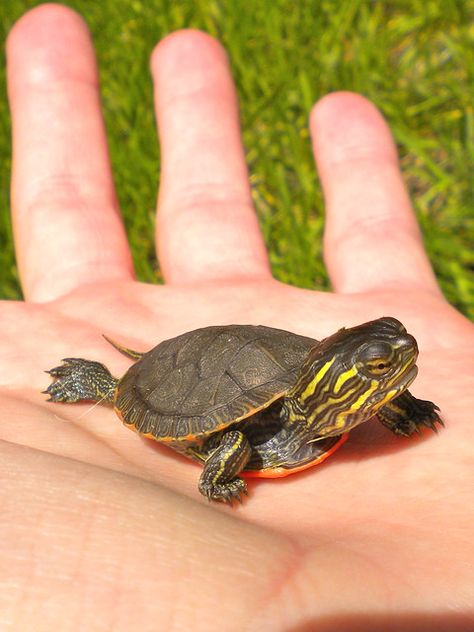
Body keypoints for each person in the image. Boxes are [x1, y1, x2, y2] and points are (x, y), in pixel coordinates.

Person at [2, 4, 473, 630]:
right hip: (198, 373)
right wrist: (219, 477)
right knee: (221, 433)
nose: (400, 361)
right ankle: (105, 381)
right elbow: (229, 438)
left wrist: (400, 406)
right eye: (383, 367)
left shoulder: (327, 406)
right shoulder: (278, 417)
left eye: (387, 359)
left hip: (276, 364)